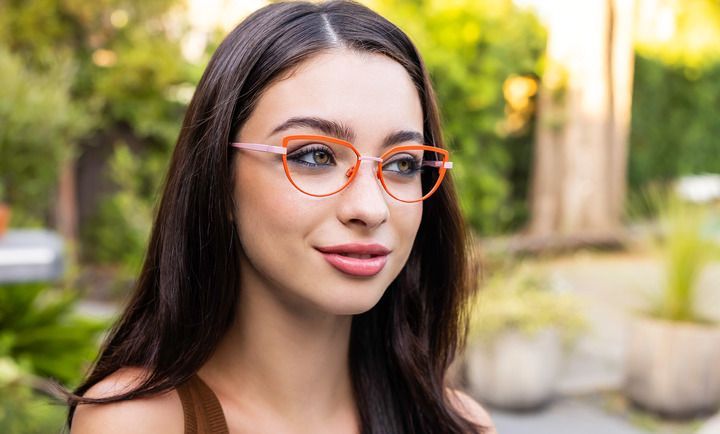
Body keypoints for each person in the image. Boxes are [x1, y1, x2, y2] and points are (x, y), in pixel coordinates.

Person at [62, 1, 496, 433]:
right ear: (220, 179)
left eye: (403, 164)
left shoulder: (457, 424)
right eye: (315, 155)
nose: (370, 208)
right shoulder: (135, 425)